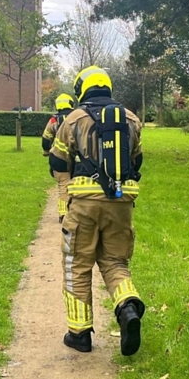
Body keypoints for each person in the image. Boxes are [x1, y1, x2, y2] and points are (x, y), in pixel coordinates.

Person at [49, 66, 146, 356]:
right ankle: (127, 305)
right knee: (116, 262)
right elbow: (137, 163)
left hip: (84, 204)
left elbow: (57, 162)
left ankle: (79, 334)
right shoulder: (131, 119)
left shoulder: (74, 118)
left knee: (77, 264)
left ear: (81, 89)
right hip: (121, 203)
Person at [42, 93, 76, 221]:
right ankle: (76, 212)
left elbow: (46, 138)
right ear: (71, 104)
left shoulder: (53, 120)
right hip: (77, 158)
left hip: (58, 158)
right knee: (78, 185)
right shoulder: (77, 117)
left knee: (63, 186)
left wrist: (46, 151)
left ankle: (63, 214)